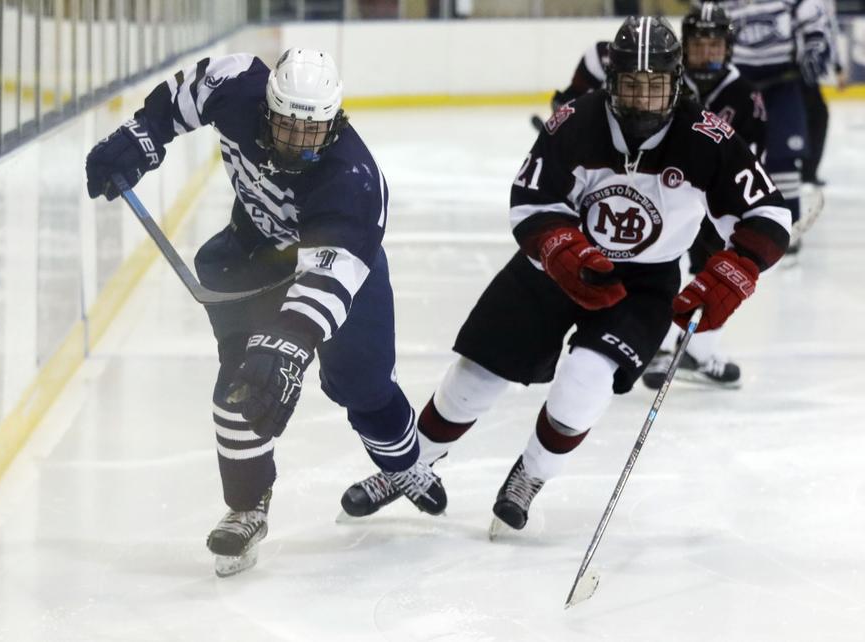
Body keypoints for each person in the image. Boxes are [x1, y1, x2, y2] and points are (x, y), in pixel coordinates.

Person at [341, 16, 790, 535]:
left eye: (656, 86)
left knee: (587, 379)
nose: (643, 99)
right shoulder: (577, 121)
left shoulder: (707, 138)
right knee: (476, 377)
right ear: (612, 82)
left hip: (643, 286)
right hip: (558, 267)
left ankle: (530, 476)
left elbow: (770, 215)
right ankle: (409, 467)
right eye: (631, 85)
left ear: (675, 83)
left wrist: (734, 273)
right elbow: (531, 200)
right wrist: (562, 250)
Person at [84, 49, 446, 576]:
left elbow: (326, 281)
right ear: (267, 109)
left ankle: (404, 463)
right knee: (242, 388)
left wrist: (288, 344)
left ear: (335, 123)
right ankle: (247, 506)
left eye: (312, 132)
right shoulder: (238, 86)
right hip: (250, 261)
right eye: (286, 127)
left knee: (363, 386)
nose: (298, 142)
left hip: (341, 277)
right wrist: (143, 134)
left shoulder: (356, 181)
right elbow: (191, 91)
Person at [642, 2, 768, 389]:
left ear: (727, 47)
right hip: (669, 197)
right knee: (661, 265)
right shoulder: (668, 83)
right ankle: (659, 347)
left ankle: (699, 350)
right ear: (686, 45)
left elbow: (755, 157)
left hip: (716, 204)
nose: (707, 51)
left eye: (715, 44)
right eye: (700, 44)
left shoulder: (746, 95)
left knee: (720, 271)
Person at [716, 0, 833, 255]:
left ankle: (788, 228)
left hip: (783, 86)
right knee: (732, 157)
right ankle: (738, 224)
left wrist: (815, 46)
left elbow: (813, 20)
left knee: (784, 160)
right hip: (739, 87)